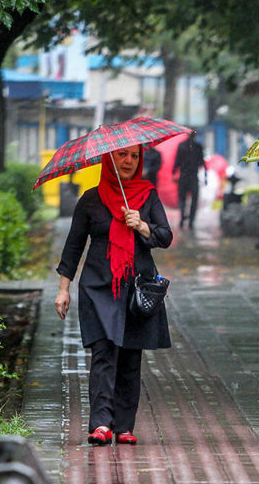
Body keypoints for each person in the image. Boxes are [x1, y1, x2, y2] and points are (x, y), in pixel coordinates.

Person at [55, 144, 173, 446]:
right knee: (104, 353)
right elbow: (73, 246)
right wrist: (64, 288)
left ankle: (123, 426)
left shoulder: (148, 196)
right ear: (110, 158)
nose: (129, 161)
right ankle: (101, 425)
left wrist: (143, 226)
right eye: (122, 155)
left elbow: (165, 236)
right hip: (98, 287)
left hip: (136, 288)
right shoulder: (91, 200)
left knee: (131, 356)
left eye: (134, 156)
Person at [173, 132, 204, 229]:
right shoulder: (198, 147)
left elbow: (177, 161)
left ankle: (182, 218)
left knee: (182, 199)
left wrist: (173, 172)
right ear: (195, 136)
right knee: (194, 199)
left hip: (183, 177)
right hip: (194, 177)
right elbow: (201, 162)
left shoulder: (181, 146)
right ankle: (191, 221)